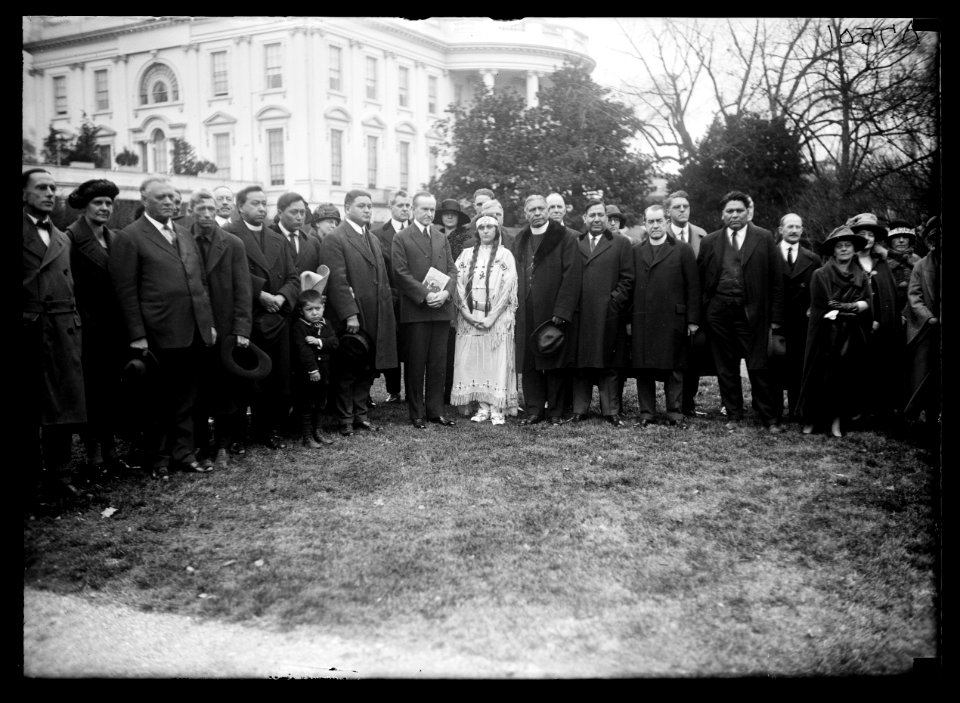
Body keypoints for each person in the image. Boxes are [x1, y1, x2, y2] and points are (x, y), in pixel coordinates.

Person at [110, 177, 216, 476]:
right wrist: (138, 335)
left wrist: (207, 324)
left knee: (186, 397)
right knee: (158, 401)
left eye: (173, 196)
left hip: (193, 330)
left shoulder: (184, 234)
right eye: (162, 197)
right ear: (145, 200)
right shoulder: (130, 237)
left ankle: (184, 454)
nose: (170, 201)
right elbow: (125, 291)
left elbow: (200, 283)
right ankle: (159, 459)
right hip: (158, 334)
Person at [22, 168, 87, 500]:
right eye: (41, 188)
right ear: (25, 194)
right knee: (31, 407)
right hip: (31, 330)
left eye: (53, 187)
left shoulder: (61, 236)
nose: (49, 193)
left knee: (62, 405)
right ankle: (31, 478)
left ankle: (60, 474)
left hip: (63, 330)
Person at [697, 190, 785, 432]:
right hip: (719, 314)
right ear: (722, 215)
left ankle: (769, 417)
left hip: (752, 314)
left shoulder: (763, 238)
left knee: (759, 366)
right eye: (729, 211)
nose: (734, 215)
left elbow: (776, 281)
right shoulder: (710, 241)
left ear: (748, 213)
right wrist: (705, 311)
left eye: (739, 210)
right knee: (726, 367)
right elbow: (701, 279)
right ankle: (734, 414)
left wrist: (776, 320)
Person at [224, 186, 300, 451]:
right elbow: (228, 277)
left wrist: (281, 297)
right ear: (240, 206)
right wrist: (260, 294)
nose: (261, 209)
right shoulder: (229, 235)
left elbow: (293, 277)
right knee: (243, 380)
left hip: (277, 319)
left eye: (264, 204)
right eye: (255, 203)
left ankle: (267, 429)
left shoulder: (277, 239)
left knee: (276, 379)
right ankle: (237, 436)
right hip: (246, 318)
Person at [64, 179, 129, 479]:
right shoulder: (71, 238)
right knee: (92, 393)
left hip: (114, 329)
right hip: (87, 329)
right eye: (98, 203)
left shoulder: (115, 238)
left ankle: (111, 452)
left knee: (112, 392)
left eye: (108, 203)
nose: (104, 208)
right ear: (85, 206)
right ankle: (94, 457)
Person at [319, 189, 398, 436]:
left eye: (369, 205)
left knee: (367, 369)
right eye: (361, 205)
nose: (367, 210)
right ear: (347, 208)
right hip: (354, 317)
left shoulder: (372, 238)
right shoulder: (335, 238)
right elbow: (337, 282)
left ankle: (361, 415)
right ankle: (344, 418)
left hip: (376, 315)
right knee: (347, 369)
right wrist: (349, 314)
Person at [187, 189, 252, 471]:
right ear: (191, 210)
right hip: (193, 329)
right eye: (200, 208)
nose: (206, 214)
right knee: (198, 391)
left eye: (210, 209)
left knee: (227, 389)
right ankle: (201, 445)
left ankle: (224, 445)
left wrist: (242, 328)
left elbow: (243, 289)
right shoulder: (181, 240)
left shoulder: (233, 244)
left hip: (226, 328)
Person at [796, 226, 872, 437]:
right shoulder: (820, 274)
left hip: (850, 335)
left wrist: (853, 308)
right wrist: (856, 306)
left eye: (848, 245)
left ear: (854, 249)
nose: (844, 249)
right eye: (840, 246)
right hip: (824, 334)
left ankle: (837, 423)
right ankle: (811, 421)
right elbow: (827, 304)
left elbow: (869, 304)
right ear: (833, 251)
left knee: (843, 379)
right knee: (818, 377)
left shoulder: (861, 276)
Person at [512, 194, 582, 425]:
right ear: (525, 213)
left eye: (541, 208)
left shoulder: (564, 237)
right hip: (525, 310)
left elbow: (571, 276)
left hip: (552, 312)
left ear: (547, 210)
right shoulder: (520, 239)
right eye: (532, 210)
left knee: (554, 362)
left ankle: (555, 411)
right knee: (530, 363)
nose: (538, 213)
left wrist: (562, 311)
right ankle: (534, 410)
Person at [392, 192, 459, 429]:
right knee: (416, 363)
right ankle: (416, 413)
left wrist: (446, 293)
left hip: (440, 310)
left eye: (432, 210)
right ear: (413, 210)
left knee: (438, 363)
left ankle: (435, 411)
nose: (429, 214)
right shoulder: (402, 237)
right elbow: (400, 273)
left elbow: (453, 271)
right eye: (424, 209)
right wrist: (425, 295)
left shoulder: (441, 238)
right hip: (416, 311)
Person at [630, 204, 700, 427]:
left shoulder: (682, 249)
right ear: (645, 224)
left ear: (666, 222)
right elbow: (630, 288)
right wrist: (628, 321)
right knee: (644, 368)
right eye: (650, 222)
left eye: (659, 221)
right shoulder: (636, 252)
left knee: (674, 368)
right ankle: (647, 412)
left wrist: (692, 320)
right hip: (644, 319)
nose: (655, 226)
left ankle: (675, 412)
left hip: (673, 319)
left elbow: (693, 287)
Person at [451, 215, 519, 424]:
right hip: (471, 315)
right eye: (482, 227)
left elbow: (508, 288)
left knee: (496, 361)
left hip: (496, 318)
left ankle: (497, 407)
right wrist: (467, 313)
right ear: (477, 230)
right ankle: (482, 406)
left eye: (490, 227)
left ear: (497, 230)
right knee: (474, 362)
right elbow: (458, 285)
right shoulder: (465, 255)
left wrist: (492, 317)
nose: (486, 230)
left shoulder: (505, 255)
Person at [571, 200, 633, 427]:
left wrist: (613, 302)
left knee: (610, 363)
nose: (596, 219)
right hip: (581, 314)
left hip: (608, 315)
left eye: (600, 215)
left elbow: (628, 279)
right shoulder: (575, 242)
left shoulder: (620, 243)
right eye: (592, 215)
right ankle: (579, 409)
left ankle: (611, 410)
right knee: (581, 363)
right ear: (584, 218)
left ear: (607, 218)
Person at [849, 212, 901, 425]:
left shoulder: (881, 263)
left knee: (881, 364)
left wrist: (882, 318)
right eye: (862, 234)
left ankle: (880, 410)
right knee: (856, 366)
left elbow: (889, 293)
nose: (867, 238)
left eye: (871, 234)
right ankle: (856, 409)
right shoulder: (849, 261)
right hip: (856, 325)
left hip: (883, 325)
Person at [771, 213, 821, 421]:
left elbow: (819, 290)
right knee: (774, 367)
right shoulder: (768, 255)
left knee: (799, 367)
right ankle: (772, 411)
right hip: (776, 320)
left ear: (802, 230)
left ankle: (797, 409)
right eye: (789, 227)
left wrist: (813, 308)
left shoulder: (812, 259)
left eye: (797, 227)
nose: (793, 231)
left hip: (802, 323)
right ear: (781, 230)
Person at [665, 190, 708, 416]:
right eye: (677, 207)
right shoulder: (659, 235)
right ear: (668, 211)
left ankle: (688, 403)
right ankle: (674, 403)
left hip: (694, 308)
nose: (682, 210)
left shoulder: (702, 235)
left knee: (694, 355)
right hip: (668, 309)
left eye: (686, 206)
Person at [372, 191, 412, 404]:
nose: (405, 209)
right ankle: (394, 390)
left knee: (413, 345)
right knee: (393, 344)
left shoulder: (419, 231)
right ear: (391, 207)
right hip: (391, 298)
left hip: (415, 298)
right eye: (400, 205)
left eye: (408, 205)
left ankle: (413, 391)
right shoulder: (378, 234)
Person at [434, 198, 472, 406]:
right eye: (446, 213)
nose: (449, 216)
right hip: (436, 292)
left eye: (453, 214)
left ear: (458, 217)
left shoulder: (466, 238)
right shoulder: (435, 234)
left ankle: (452, 390)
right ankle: (437, 390)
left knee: (454, 346)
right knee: (439, 347)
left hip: (458, 294)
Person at [902, 216, 940, 429]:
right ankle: (916, 414)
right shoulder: (921, 266)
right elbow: (914, 296)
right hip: (926, 328)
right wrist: (928, 317)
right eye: (935, 239)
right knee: (922, 371)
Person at [292, 288, 339, 448]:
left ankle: (318, 430)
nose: (314, 313)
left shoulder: (326, 324)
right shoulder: (300, 326)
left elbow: (334, 342)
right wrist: (312, 369)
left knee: (321, 402)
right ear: (301, 310)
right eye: (309, 309)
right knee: (307, 403)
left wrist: (319, 341)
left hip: (325, 370)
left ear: (323, 308)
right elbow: (303, 350)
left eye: (317, 308)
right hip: (308, 373)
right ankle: (307, 435)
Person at [885, 220, 922, 325]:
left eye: (905, 237)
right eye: (897, 237)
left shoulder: (919, 262)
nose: (901, 241)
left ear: (910, 240)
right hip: (890, 318)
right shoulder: (882, 263)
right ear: (890, 240)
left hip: (916, 317)